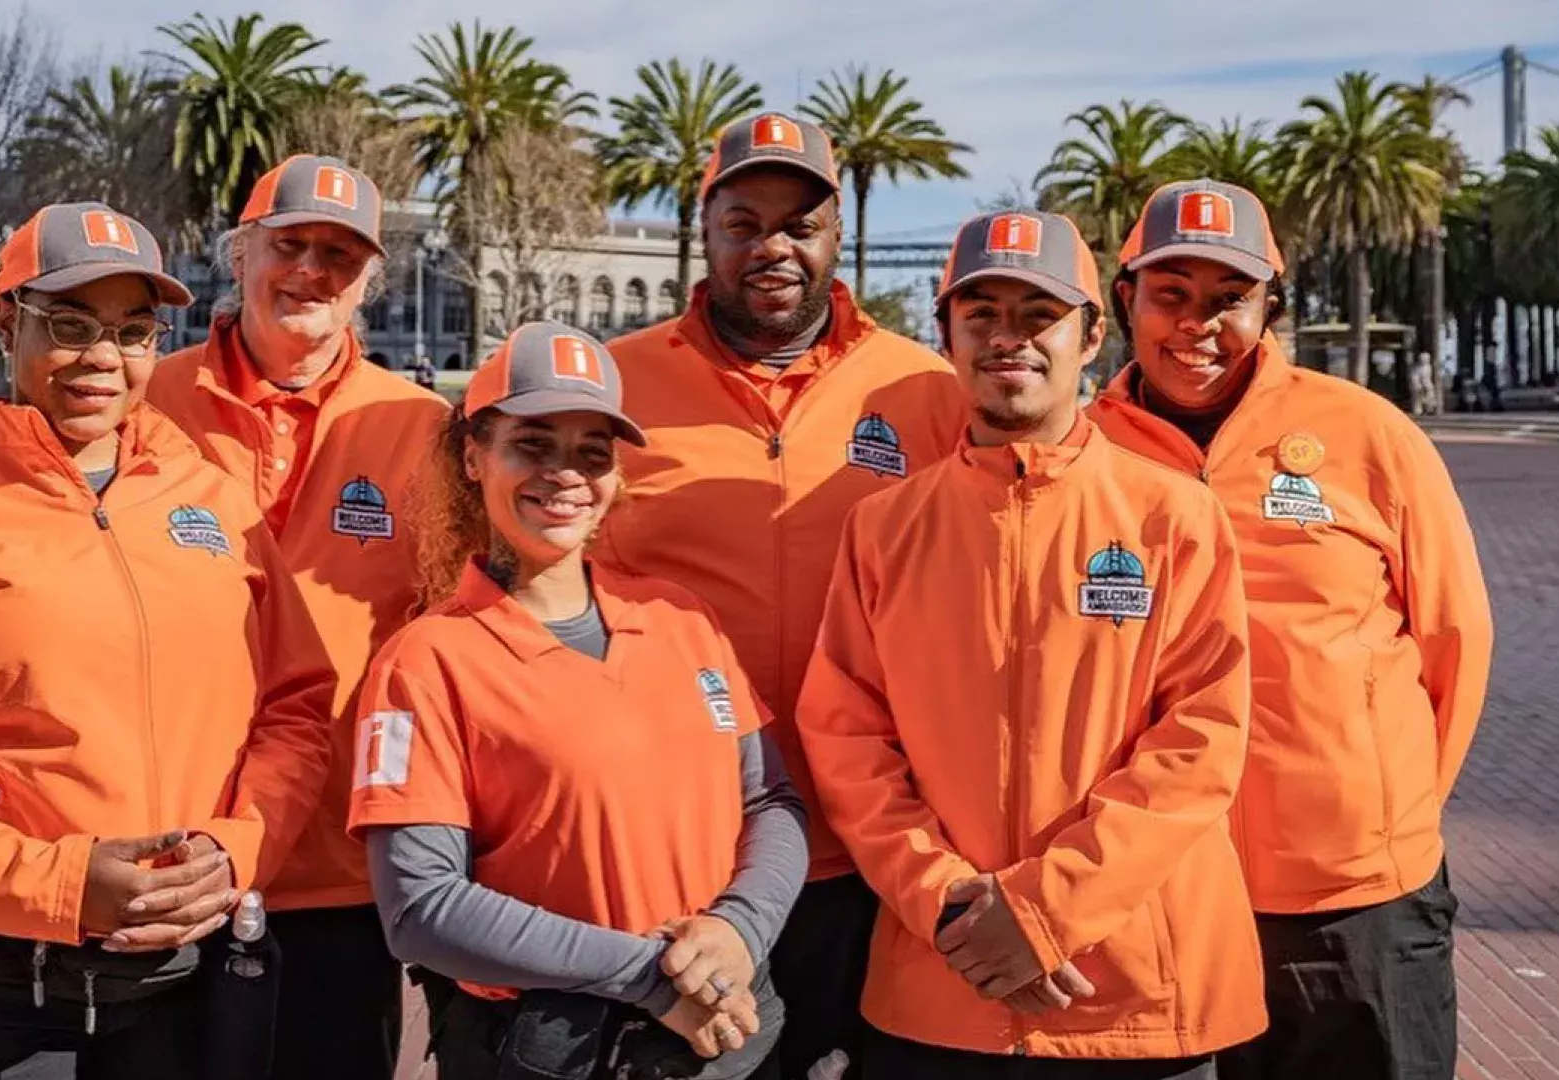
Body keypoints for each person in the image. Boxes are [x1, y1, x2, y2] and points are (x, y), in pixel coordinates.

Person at [0, 201, 334, 1080]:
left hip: (180, 981)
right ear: (7, 320)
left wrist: (236, 849)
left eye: (133, 330)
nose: (103, 359)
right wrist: (61, 885)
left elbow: (299, 710)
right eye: (69, 324)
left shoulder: (217, 501)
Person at [798, 209, 1267, 1079]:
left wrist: (1047, 911)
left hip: (1136, 989)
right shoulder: (884, 527)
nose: (1008, 338)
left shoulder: (1173, 516)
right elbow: (845, 736)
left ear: (1091, 337)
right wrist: (944, 902)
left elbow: (1202, 738)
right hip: (943, 986)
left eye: (1038, 314)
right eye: (982, 315)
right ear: (946, 337)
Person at [1089, 179, 1494, 1080]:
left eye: (1229, 298)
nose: (1198, 323)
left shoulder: (1366, 434)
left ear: (1270, 304)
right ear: (1126, 301)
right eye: (1171, 294)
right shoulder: (1081, 454)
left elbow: (1453, 639)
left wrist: (1388, 815)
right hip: (1160, 894)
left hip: (1355, 901)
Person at [599, 112, 967, 1079]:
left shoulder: (925, 390)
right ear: (705, 228)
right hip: (688, 857)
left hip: (879, 850)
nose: (772, 247)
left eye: (799, 224)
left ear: (837, 235)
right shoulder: (615, 389)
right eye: (744, 221)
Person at [350, 322, 809, 1080]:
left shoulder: (680, 619)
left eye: (592, 453)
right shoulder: (425, 661)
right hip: (551, 1046)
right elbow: (419, 909)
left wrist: (737, 932)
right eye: (533, 444)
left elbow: (771, 800)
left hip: (721, 1030)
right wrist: (650, 976)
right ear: (474, 456)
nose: (565, 475)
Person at [148, 155, 448, 1080]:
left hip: (340, 869)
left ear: (369, 284)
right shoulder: (144, 403)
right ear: (239, 256)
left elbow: (461, 634)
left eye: (341, 254)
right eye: (289, 245)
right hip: (165, 856)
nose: (311, 271)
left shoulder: (426, 428)